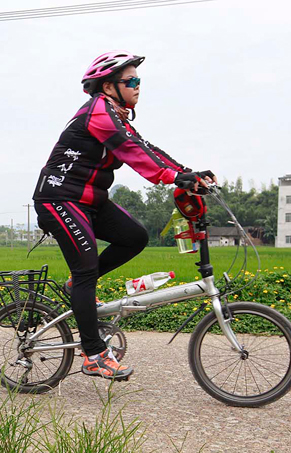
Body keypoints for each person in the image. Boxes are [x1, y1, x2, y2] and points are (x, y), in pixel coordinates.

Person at [32, 52, 215, 380]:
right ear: (108, 86)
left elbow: (147, 148)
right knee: (86, 270)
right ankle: (94, 355)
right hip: (60, 199)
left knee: (135, 237)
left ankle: (77, 286)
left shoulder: (117, 116)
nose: (138, 86)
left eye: (138, 80)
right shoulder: (98, 112)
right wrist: (175, 178)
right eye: (131, 81)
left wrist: (187, 173)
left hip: (90, 200)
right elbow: (132, 153)